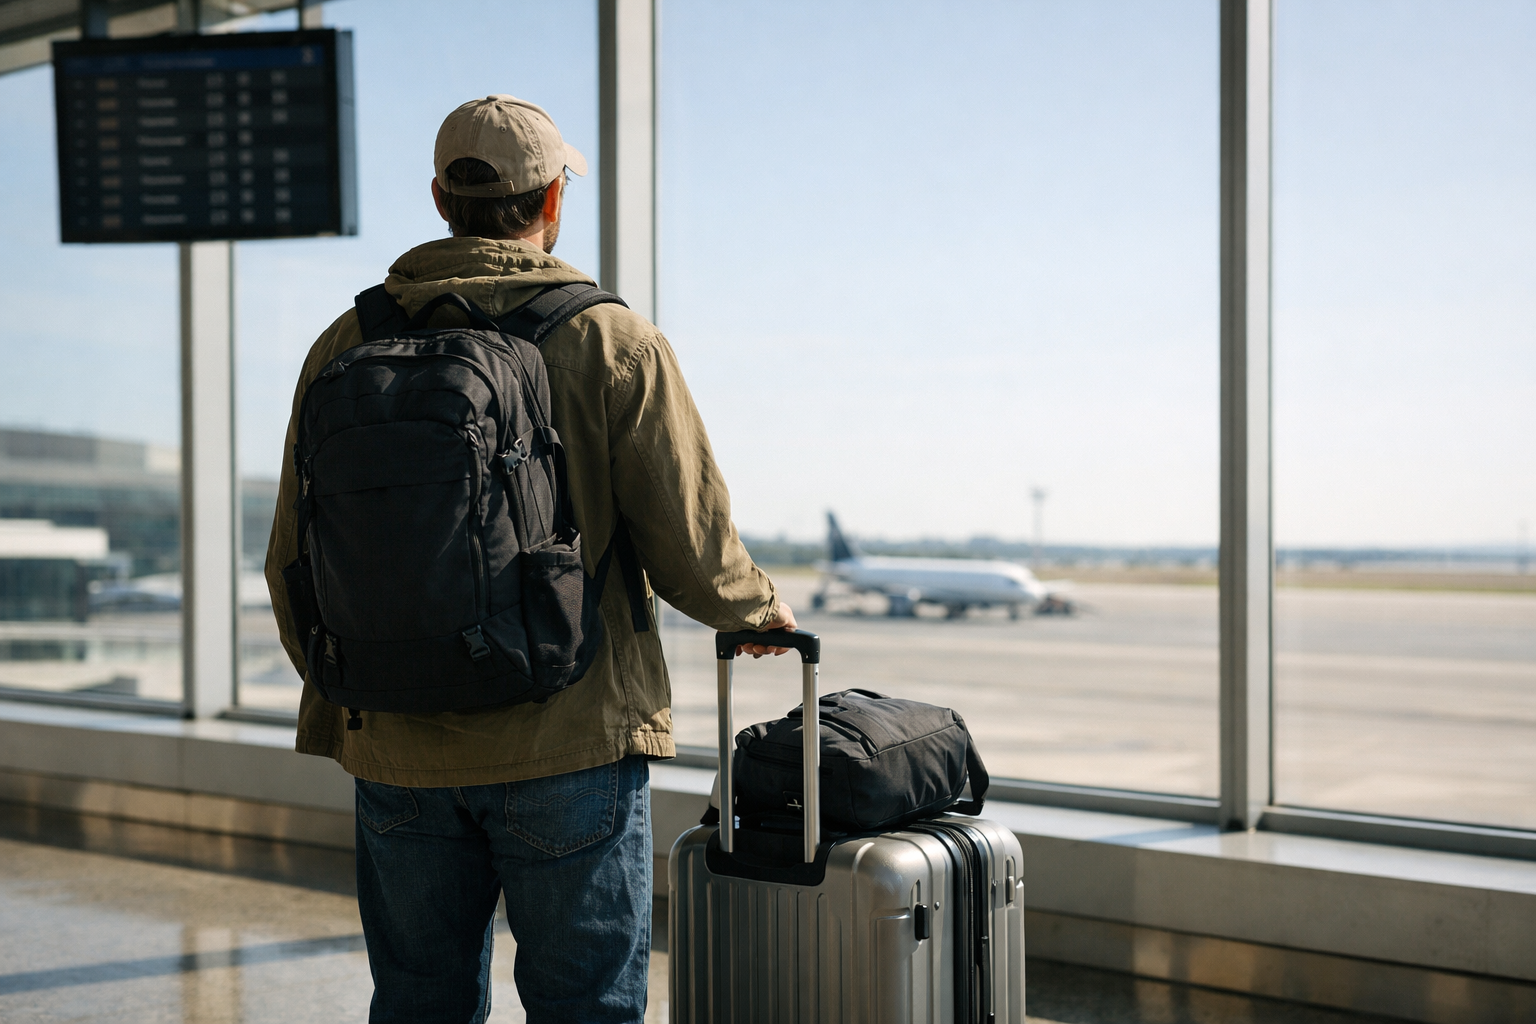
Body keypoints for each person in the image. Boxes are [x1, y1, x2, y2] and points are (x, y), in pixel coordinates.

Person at [265, 94, 795, 1024]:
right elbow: (689, 542)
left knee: (420, 1001)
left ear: (440, 198)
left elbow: (289, 556)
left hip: (393, 745)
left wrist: (362, 688)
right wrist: (756, 613)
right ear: (553, 200)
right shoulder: (609, 339)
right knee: (583, 1003)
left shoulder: (347, 344)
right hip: (568, 735)